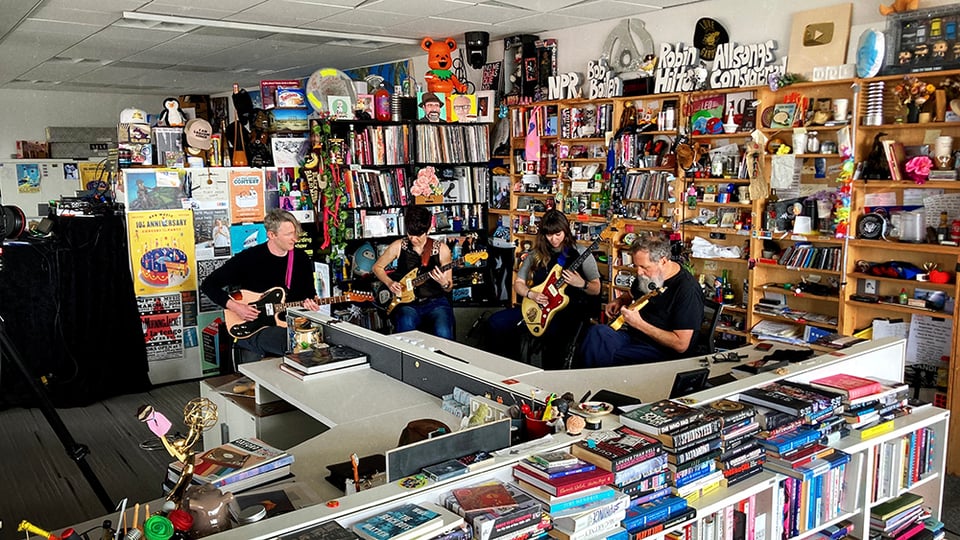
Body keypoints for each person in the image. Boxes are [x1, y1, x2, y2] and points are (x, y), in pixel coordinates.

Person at [485, 210, 601, 369]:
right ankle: (506, 368)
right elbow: (518, 284)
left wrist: (581, 283)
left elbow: (596, 289)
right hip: (537, 305)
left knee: (553, 338)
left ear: (566, 231)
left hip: (566, 311)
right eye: (549, 235)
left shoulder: (580, 253)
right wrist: (531, 294)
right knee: (495, 323)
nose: (554, 239)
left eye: (558, 234)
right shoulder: (536, 254)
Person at [200, 209, 320, 359]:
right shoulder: (249, 258)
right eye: (289, 234)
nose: (295, 238)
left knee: (318, 339)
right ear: (271, 235)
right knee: (292, 341)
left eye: (295, 233)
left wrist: (311, 305)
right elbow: (208, 285)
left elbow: (309, 294)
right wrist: (236, 307)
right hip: (254, 326)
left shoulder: (301, 259)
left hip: (289, 323)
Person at [579, 235, 703, 367]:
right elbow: (631, 294)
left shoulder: (687, 290)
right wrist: (620, 300)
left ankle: (592, 383)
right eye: (636, 266)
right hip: (636, 337)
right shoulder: (648, 275)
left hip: (662, 350)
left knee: (604, 355)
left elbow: (681, 345)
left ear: (663, 261)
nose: (639, 272)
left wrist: (639, 324)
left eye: (644, 267)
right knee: (595, 333)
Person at [373, 205, 455, 339]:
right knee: (406, 325)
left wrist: (444, 283)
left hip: (435, 302)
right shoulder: (399, 245)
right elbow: (377, 267)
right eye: (410, 234)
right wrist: (389, 283)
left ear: (428, 230)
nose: (413, 239)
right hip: (407, 303)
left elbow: (449, 287)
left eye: (418, 236)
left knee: (443, 331)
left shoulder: (442, 249)